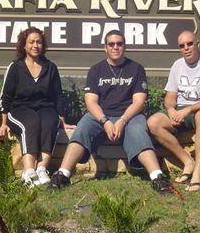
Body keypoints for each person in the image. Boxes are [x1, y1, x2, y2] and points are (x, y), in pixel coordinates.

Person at [49, 30, 173, 194]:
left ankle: (157, 178)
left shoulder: (136, 69)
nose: (116, 47)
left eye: (119, 44)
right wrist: (105, 121)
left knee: (138, 131)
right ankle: (63, 175)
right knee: (83, 127)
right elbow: (91, 102)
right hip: (101, 115)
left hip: (130, 115)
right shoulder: (96, 70)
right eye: (111, 44)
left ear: (125, 46)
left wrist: (122, 120)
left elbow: (139, 102)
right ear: (105, 47)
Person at [147, 30, 200, 192]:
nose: (186, 48)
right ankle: (188, 161)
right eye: (182, 46)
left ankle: (197, 174)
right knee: (153, 123)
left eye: (190, 44)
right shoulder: (177, 65)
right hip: (183, 110)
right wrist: (171, 109)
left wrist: (188, 110)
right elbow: (170, 96)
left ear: (197, 44)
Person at [0, 27, 69, 186]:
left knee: (49, 122)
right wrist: (3, 122)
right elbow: (6, 96)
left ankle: (42, 169)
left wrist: (62, 120)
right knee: (31, 123)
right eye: (31, 42)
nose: (35, 45)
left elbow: (58, 95)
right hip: (20, 109)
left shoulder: (50, 67)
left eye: (39, 42)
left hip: (45, 108)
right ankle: (28, 171)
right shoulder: (15, 67)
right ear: (24, 45)